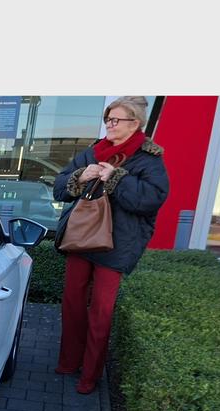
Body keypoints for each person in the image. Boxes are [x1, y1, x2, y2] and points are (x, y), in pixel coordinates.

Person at [53, 96, 169, 394]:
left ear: (135, 123)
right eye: (108, 119)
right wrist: (81, 175)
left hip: (117, 244)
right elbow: (59, 187)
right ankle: (69, 361)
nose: (110, 124)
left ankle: (90, 375)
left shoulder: (149, 159)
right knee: (72, 303)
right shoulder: (94, 151)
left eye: (116, 120)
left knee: (101, 313)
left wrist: (115, 177)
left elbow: (150, 200)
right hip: (82, 238)